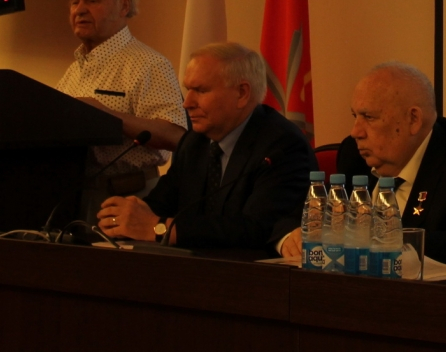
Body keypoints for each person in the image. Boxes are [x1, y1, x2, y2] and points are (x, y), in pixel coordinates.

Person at [278, 62, 446, 266]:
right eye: (355, 116)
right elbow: (296, 215)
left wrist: (380, 239)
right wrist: (291, 236)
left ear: (413, 119)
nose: (356, 132)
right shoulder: (354, 153)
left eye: (369, 117)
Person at [97, 42, 316, 251]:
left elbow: (258, 228)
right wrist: (128, 217)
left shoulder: (282, 146)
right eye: (188, 90)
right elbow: (160, 204)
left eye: (201, 91)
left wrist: (161, 228)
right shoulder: (194, 142)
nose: (187, 103)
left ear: (242, 93)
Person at [57, 0, 187, 222]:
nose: (79, 10)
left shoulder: (149, 64)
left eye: (92, 0)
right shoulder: (73, 71)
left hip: (129, 197)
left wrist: (105, 115)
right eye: (74, 2)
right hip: (73, 196)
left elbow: (175, 136)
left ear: (123, 6)